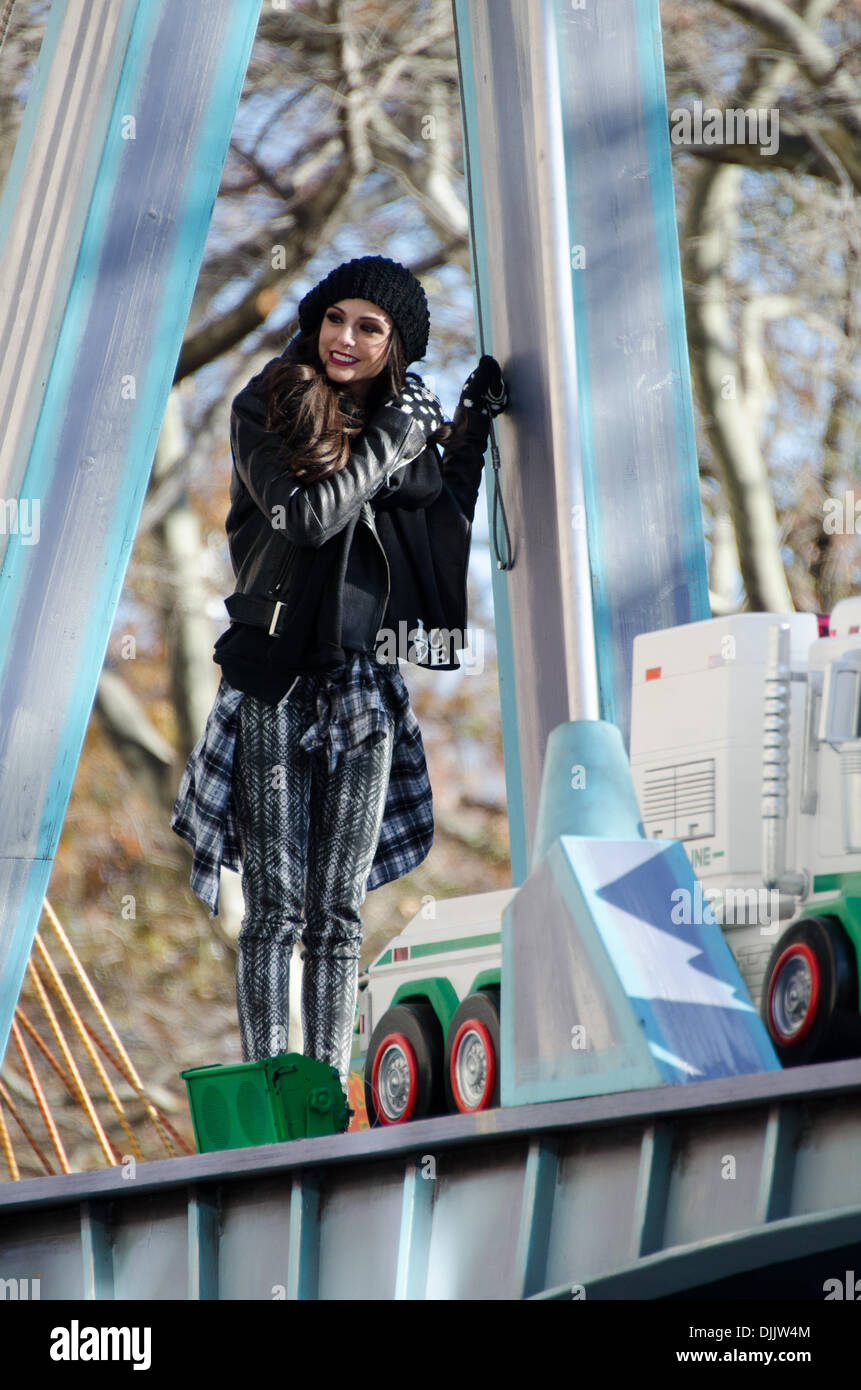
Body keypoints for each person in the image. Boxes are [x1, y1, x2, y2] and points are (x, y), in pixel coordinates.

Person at [170, 255, 508, 1122]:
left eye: (369, 327)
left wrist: (464, 430)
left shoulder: (397, 429)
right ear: (316, 322)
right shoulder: (268, 407)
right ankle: (268, 1090)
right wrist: (396, 441)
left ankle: (323, 1100)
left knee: (338, 914)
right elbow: (312, 518)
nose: (346, 339)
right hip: (274, 681)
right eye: (335, 319)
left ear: (394, 345)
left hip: (362, 686)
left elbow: (440, 523)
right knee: (275, 909)